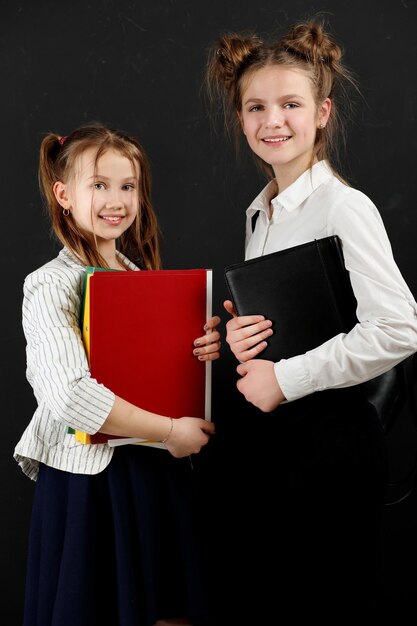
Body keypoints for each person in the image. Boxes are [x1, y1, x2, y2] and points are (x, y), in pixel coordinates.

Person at [205, 18, 417, 620]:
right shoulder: (261, 213)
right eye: (256, 107)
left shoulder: (344, 206)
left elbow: (400, 328)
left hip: (331, 444)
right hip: (271, 443)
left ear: (322, 112)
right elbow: (298, 323)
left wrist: (285, 378)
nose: (272, 121)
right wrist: (244, 339)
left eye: (290, 104)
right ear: (241, 118)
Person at [14, 122, 221, 626]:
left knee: (167, 612)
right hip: (90, 486)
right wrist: (172, 431)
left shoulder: (144, 283)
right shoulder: (49, 285)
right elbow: (68, 398)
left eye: (127, 186)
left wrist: (199, 354)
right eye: (99, 185)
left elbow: (160, 380)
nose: (116, 200)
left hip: (154, 473)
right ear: (64, 194)